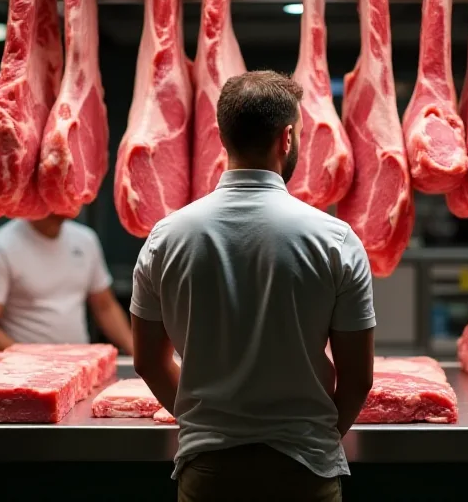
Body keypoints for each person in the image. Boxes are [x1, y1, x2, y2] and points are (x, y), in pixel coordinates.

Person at [130, 70, 376, 501]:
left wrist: (204, 424)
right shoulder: (335, 240)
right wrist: (311, 438)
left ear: (222, 138)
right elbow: (357, 378)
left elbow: (149, 361)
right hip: (305, 475)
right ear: (286, 139)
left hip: (207, 474)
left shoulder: (166, 238)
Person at [0, 214, 135, 354]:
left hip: (79, 365)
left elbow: (105, 306)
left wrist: (134, 349)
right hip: (25, 374)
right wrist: (36, 364)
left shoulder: (86, 239)